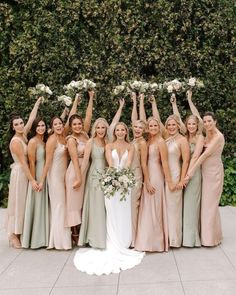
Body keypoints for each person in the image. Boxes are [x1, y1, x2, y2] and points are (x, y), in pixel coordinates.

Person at [74, 122, 144, 275]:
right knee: (111, 213)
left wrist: (123, 179)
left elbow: (128, 163)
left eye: (122, 129)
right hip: (111, 183)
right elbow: (111, 164)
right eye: (117, 129)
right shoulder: (108, 146)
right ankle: (111, 240)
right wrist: (114, 179)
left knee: (124, 212)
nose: (120, 132)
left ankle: (124, 241)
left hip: (125, 184)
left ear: (126, 131)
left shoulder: (131, 146)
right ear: (115, 131)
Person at [78, 99, 125, 249]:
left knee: (107, 207)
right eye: (98, 127)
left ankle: (107, 236)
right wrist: (79, 177)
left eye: (103, 128)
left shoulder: (109, 141)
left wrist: (121, 107)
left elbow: (115, 123)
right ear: (94, 129)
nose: (100, 130)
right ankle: (95, 239)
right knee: (97, 206)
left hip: (108, 177)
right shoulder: (90, 142)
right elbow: (85, 162)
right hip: (94, 177)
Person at [38, 95, 80, 250]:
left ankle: (62, 238)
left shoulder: (64, 137)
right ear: (52, 126)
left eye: (60, 123)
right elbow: (48, 163)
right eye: (55, 124)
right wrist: (42, 181)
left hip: (63, 176)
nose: (58, 126)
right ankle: (59, 241)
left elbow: (71, 117)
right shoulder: (51, 140)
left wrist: (75, 101)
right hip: (54, 176)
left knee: (63, 205)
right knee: (59, 205)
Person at [6, 97, 42, 248]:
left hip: (25, 172)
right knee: (18, 203)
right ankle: (13, 235)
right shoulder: (15, 141)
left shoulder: (24, 134)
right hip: (21, 174)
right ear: (12, 127)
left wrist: (37, 103)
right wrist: (32, 180)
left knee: (24, 203)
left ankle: (20, 232)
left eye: (21, 123)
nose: (20, 125)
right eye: (17, 124)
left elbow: (32, 118)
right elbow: (23, 163)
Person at [185, 112, 225, 246]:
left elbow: (204, 155)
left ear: (215, 121)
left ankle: (210, 240)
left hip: (214, 173)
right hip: (204, 172)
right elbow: (196, 116)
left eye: (209, 121)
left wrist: (189, 173)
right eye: (205, 121)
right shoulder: (207, 133)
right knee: (206, 205)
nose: (207, 123)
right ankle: (214, 234)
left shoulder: (218, 136)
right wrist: (190, 100)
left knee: (209, 205)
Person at [171, 91, 204, 247]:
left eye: (193, 124)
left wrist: (187, 177)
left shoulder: (200, 138)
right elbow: (176, 118)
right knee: (183, 205)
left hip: (193, 174)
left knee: (191, 205)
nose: (191, 126)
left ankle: (191, 240)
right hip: (183, 174)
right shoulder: (185, 136)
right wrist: (174, 104)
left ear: (198, 125)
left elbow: (195, 157)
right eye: (189, 124)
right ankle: (183, 236)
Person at [65, 90, 95, 245]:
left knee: (83, 202)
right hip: (76, 172)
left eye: (79, 123)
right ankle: (74, 233)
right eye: (74, 124)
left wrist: (91, 98)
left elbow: (89, 116)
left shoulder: (84, 134)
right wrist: (78, 177)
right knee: (74, 203)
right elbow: (75, 160)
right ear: (70, 126)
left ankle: (82, 232)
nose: (77, 126)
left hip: (86, 170)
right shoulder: (71, 139)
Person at [130, 92, 155, 246]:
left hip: (137, 176)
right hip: (129, 176)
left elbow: (144, 163)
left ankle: (134, 238)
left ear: (144, 130)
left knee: (134, 205)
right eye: (136, 127)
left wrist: (147, 181)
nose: (138, 129)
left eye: (141, 127)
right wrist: (136, 101)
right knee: (131, 206)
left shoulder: (142, 143)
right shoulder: (133, 140)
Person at [21, 117, 49, 249]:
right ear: (34, 128)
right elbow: (31, 162)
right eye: (38, 126)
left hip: (46, 174)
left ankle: (44, 237)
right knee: (37, 204)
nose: (41, 128)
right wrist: (33, 181)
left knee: (43, 205)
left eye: (43, 125)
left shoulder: (44, 141)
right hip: (37, 174)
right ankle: (35, 239)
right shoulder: (33, 142)